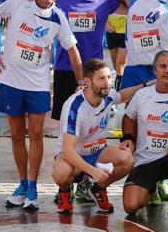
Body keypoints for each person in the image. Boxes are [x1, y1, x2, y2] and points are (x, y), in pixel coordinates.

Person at [0, 0, 83, 211]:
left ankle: (33, 187)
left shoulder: (58, 17)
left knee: (35, 134)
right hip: (11, 80)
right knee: (16, 135)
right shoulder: (19, 1)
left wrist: (81, 82)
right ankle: (22, 184)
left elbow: (73, 51)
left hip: (37, 84)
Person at [53, 58, 139, 214]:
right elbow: (68, 151)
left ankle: (98, 189)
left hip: (97, 152)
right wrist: (93, 172)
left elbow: (122, 95)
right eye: (101, 78)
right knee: (62, 173)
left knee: (128, 159)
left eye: (108, 77)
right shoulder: (74, 107)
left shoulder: (107, 95)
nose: (107, 83)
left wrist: (145, 86)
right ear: (87, 81)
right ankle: (65, 192)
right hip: (73, 156)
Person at [47, 0, 123, 123]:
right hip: (65, 67)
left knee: (93, 121)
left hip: (93, 70)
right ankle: (66, 151)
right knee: (65, 122)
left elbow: (131, 3)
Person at [122, 51, 168, 216]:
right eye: (163, 66)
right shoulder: (142, 95)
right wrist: (128, 137)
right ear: (155, 70)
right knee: (131, 206)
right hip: (144, 161)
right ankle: (151, 187)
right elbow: (128, 117)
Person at [104, 0, 133, 90]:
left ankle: (117, 95)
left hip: (125, 32)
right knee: (116, 65)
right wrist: (106, 24)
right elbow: (101, 10)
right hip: (112, 31)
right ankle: (122, 87)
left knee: (120, 65)